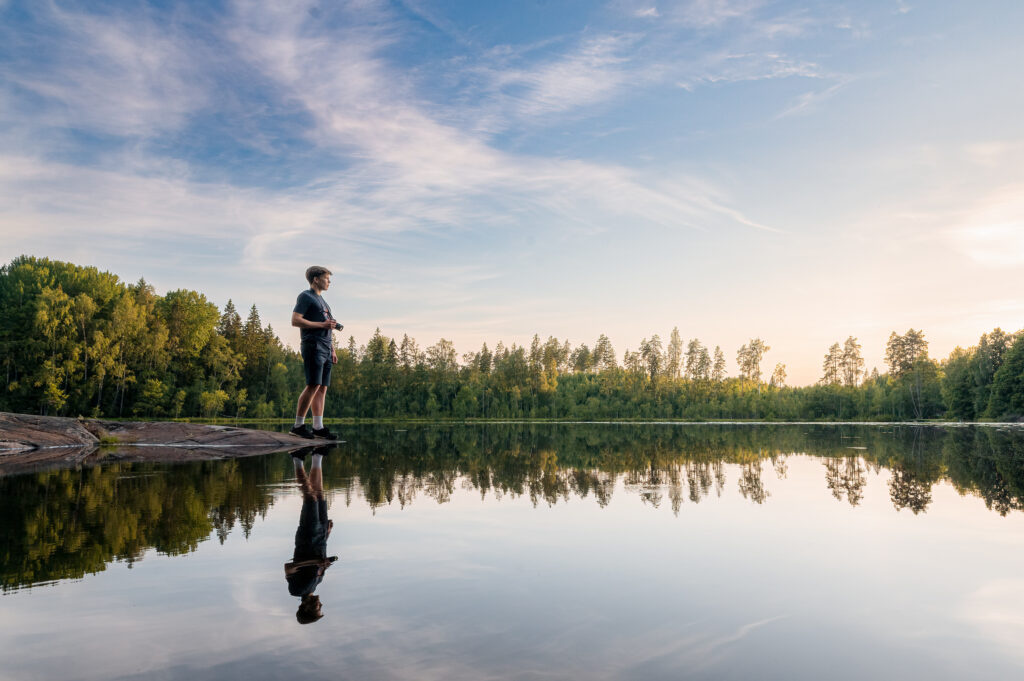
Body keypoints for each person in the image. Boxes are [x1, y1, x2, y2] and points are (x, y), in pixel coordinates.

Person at [284, 446, 337, 624]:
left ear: (305, 608)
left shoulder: (297, 590)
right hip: (320, 535)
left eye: (317, 608)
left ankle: (297, 458)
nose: (320, 605)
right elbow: (320, 557)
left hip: (307, 536)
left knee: (310, 498)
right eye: (320, 608)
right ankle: (317, 456)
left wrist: (315, 563)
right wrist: (327, 534)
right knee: (320, 494)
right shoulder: (317, 583)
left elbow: (289, 568)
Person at [290, 266, 342, 440]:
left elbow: (328, 326)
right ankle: (298, 425)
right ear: (315, 279)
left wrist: (332, 349)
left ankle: (318, 427)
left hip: (326, 348)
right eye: (326, 278)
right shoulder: (306, 296)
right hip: (313, 345)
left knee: (322, 388)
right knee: (313, 384)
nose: (329, 282)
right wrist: (322, 326)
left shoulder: (324, 303)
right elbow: (295, 320)